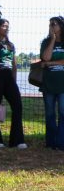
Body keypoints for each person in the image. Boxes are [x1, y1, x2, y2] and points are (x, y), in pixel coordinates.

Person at [0, 18, 26, 149]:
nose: (7, 28)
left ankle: (17, 140)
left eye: (8, 26)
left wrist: (14, 81)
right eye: (4, 26)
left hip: (8, 77)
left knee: (17, 105)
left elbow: (14, 65)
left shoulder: (11, 45)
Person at [38, 16, 64, 150]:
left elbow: (50, 61)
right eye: (50, 24)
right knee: (50, 114)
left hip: (62, 85)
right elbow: (45, 57)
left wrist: (50, 63)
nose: (51, 26)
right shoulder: (46, 42)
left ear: (61, 26)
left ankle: (61, 143)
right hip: (48, 84)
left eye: (54, 24)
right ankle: (51, 142)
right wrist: (53, 39)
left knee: (63, 112)